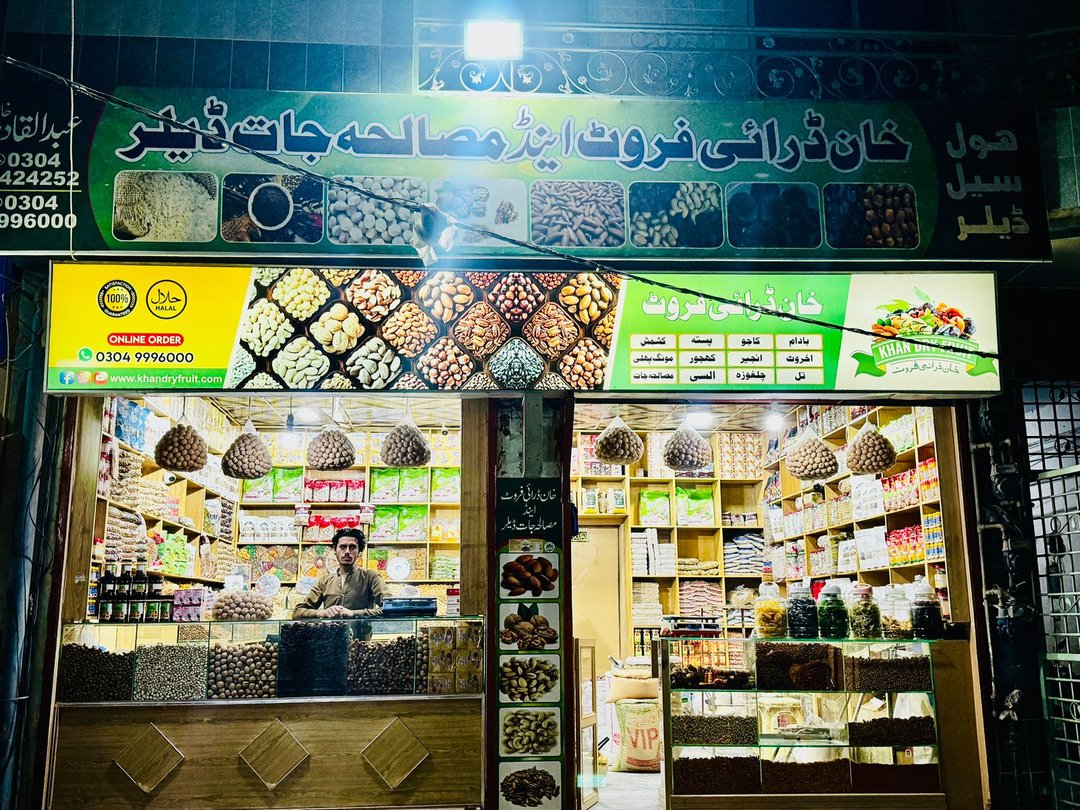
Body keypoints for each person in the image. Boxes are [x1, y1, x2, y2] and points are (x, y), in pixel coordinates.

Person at [292, 527, 387, 619]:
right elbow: (298, 612)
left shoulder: (371, 577)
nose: (347, 552)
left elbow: (390, 608)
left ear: (359, 552)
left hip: (360, 630)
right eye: (342, 547)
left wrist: (353, 614)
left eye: (352, 547)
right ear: (335, 550)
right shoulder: (324, 581)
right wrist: (320, 613)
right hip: (331, 630)